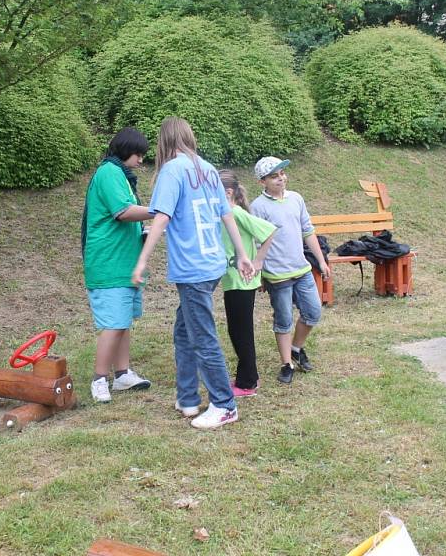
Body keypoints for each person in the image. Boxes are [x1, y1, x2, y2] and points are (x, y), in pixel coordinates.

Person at [131, 117, 255, 430]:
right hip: (211, 264)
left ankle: (224, 405)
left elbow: (161, 218)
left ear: (164, 141)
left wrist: (143, 260)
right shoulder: (208, 169)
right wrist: (240, 254)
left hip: (194, 269)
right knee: (185, 331)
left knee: (202, 336)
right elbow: (226, 214)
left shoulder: (172, 170)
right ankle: (187, 398)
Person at [81, 127, 155, 403]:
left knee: (123, 321)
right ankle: (99, 378)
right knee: (113, 323)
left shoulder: (121, 175)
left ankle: (122, 374)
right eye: (139, 154)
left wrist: (145, 230)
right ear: (127, 150)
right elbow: (123, 212)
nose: (141, 161)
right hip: (109, 263)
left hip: (124, 263)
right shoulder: (109, 173)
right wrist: (161, 210)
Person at [249, 157, 330, 384]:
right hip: (277, 275)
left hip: (302, 269)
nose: (281, 178)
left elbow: (308, 230)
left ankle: (296, 348)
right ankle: (287, 364)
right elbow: (256, 242)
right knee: (283, 320)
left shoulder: (296, 198)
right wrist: (261, 274)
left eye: (282, 174)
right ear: (262, 181)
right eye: (274, 176)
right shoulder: (257, 207)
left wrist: (321, 261)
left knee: (313, 313)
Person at [218, 170, 276, 397]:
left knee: (241, 332)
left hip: (242, 281)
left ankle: (247, 382)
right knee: (236, 330)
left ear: (228, 193)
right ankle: (247, 377)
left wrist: (258, 261)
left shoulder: (235, 212)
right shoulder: (226, 213)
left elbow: (269, 232)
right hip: (232, 280)